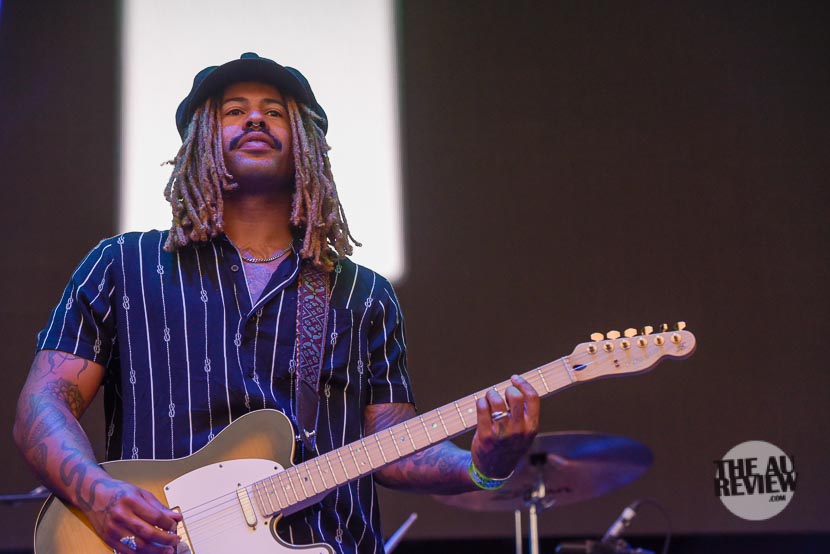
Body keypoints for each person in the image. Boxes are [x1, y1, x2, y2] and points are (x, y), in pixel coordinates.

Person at [13, 53, 539, 554]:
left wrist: (482, 465)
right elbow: (44, 402)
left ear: (307, 143)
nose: (255, 119)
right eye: (233, 111)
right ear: (200, 140)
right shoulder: (122, 265)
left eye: (275, 112)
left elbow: (392, 442)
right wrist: (97, 494)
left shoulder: (363, 294)